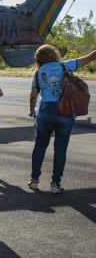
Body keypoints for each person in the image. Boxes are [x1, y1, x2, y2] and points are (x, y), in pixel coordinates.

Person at [28, 46, 96, 194]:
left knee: (39, 146)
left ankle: (34, 181)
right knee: (60, 149)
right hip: (65, 110)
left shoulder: (38, 73)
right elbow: (90, 58)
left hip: (45, 110)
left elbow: (33, 95)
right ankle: (55, 184)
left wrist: (32, 111)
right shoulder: (66, 66)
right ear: (54, 54)